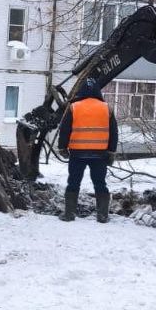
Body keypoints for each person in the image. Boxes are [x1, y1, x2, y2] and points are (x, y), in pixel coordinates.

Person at [57, 78, 119, 223]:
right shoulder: (107, 108)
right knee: (100, 183)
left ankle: (69, 214)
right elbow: (114, 132)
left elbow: (65, 129)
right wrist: (111, 151)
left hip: (77, 153)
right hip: (99, 154)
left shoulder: (74, 107)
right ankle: (103, 215)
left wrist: (62, 147)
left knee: (73, 182)